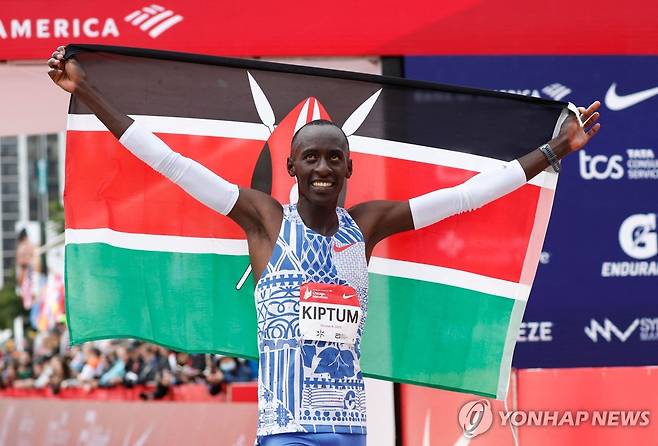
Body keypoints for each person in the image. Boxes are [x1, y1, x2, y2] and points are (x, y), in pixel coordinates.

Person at [48, 46, 600, 446]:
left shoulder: (368, 224)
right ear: (290, 167)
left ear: (349, 169)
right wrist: (88, 92)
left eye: (334, 158)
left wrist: (553, 151)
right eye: (310, 157)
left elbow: (466, 197)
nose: (322, 168)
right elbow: (170, 162)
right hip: (285, 433)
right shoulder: (264, 220)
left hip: (349, 431)